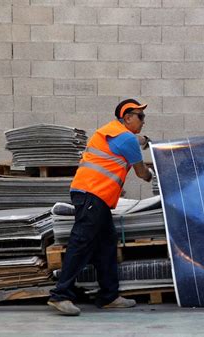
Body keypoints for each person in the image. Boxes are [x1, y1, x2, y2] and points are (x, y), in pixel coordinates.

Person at [48, 99, 154, 316]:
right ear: (127, 118)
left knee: (106, 243)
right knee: (81, 242)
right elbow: (142, 172)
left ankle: (109, 296)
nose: (143, 121)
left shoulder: (114, 132)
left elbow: (133, 139)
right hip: (92, 194)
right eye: (140, 116)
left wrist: (143, 140)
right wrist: (154, 173)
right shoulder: (126, 139)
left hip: (94, 196)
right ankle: (60, 295)